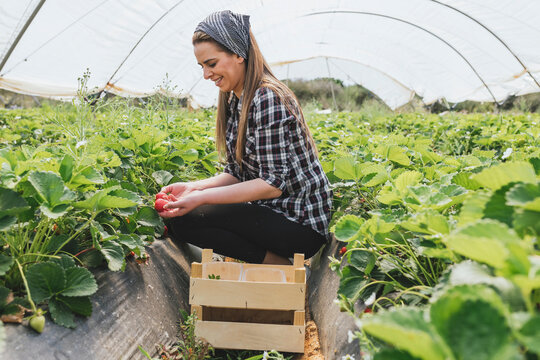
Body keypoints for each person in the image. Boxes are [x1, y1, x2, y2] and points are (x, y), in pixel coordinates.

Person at [158, 10, 332, 265]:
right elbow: (237, 173)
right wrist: (193, 188)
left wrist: (201, 198)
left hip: (300, 225)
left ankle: (282, 268)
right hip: (271, 213)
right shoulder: (236, 99)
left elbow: (272, 185)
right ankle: (274, 265)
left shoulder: (267, 97)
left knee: (189, 217)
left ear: (238, 54)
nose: (206, 74)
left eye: (212, 63)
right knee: (182, 221)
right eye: (202, 66)